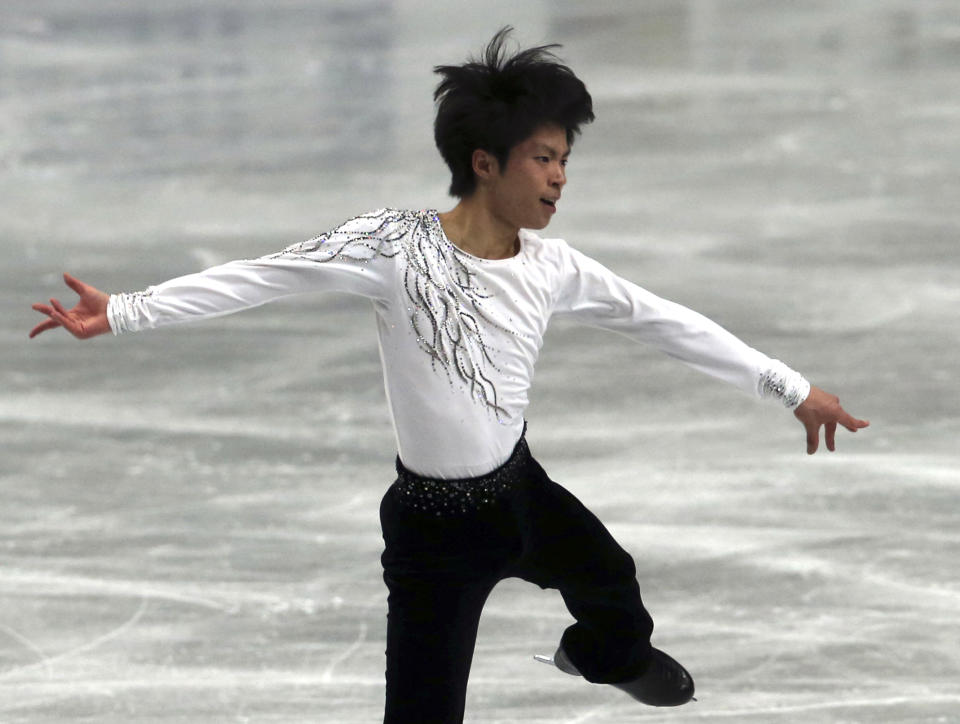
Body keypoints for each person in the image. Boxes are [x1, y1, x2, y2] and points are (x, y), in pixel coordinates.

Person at [29, 27, 868, 724]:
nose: (559, 177)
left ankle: (599, 659)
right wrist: (129, 310)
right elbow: (262, 274)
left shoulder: (552, 265)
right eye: (543, 158)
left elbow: (663, 320)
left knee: (614, 590)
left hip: (520, 494)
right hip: (432, 531)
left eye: (565, 160)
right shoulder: (394, 246)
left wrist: (789, 386)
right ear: (485, 162)